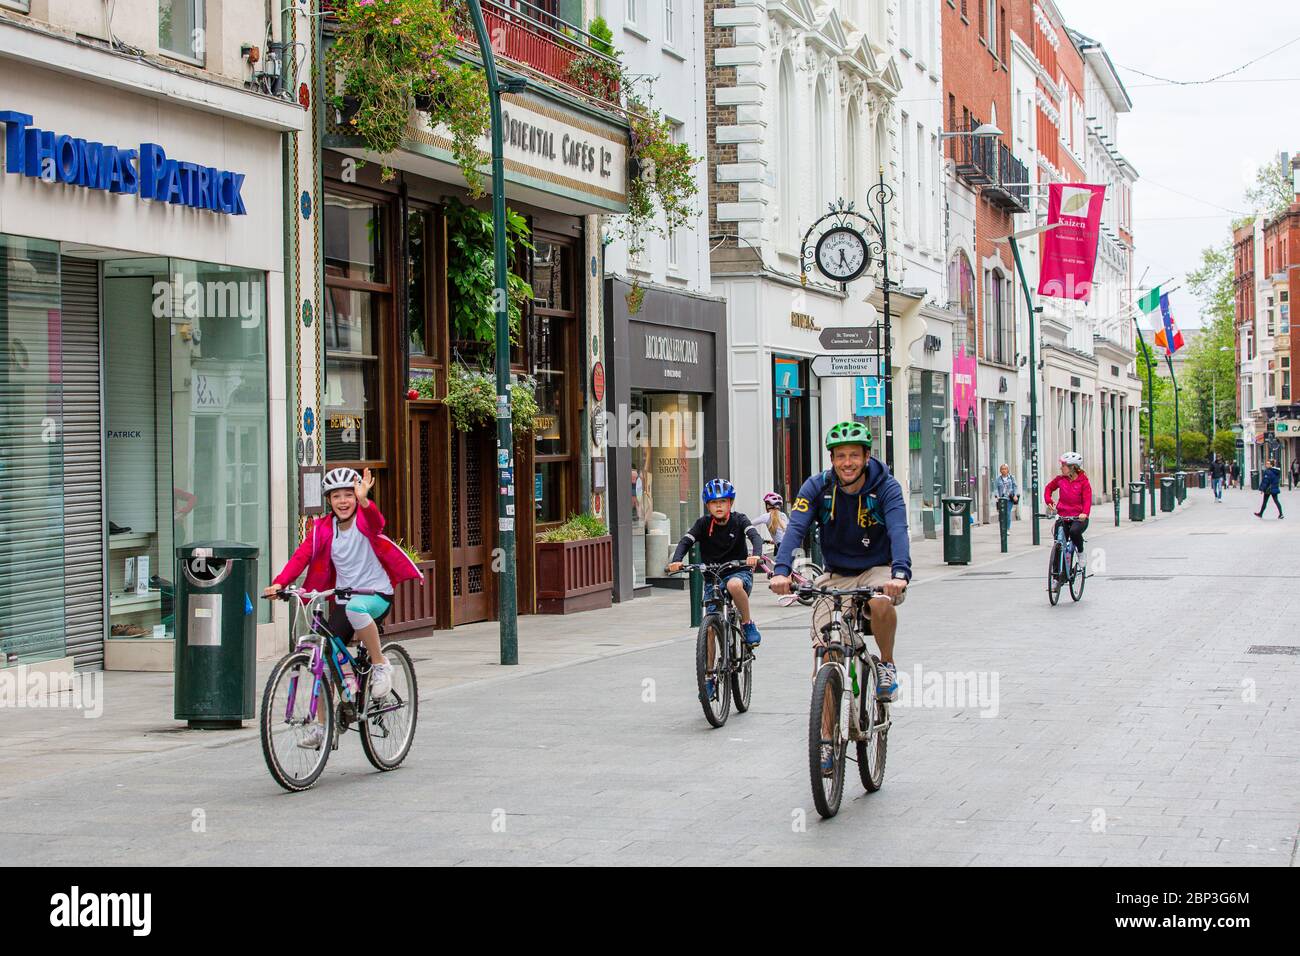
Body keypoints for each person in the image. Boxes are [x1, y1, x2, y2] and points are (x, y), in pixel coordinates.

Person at [770, 421, 911, 775]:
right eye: (840, 457)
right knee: (826, 653)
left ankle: (887, 664)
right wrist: (781, 571)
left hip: (877, 568)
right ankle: (827, 741)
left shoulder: (886, 488)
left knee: (880, 601)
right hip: (835, 574)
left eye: (854, 455)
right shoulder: (817, 487)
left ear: (866, 456)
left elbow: (898, 530)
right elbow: (796, 528)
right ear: (831, 459)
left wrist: (900, 574)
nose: (847, 462)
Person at [264, 467, 422, 748]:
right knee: (323, 659)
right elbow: (302, 557)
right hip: (344, 598)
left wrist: (365, 501)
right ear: (329, 500)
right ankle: (324, 728)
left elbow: (377, 521)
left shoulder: (364, 521)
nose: (343, 501)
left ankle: (380, 663)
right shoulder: (323, 529)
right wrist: (280, 584)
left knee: (355, 610)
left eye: (348, 494)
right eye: (337, 496)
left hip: (376, 594)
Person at [666, 477, 764, 660]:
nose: (718, 506)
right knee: (709, 628)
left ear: (730, 503)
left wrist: (755, 555)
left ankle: (747, 622)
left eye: (723, 502)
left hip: (739, 572)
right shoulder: (702, 524)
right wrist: (677, 559)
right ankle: (709, 676)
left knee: (734, 586)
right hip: (713, 578)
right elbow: (686, 541)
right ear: (707, 505)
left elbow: (754, 536)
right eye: (714, 503)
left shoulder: (739, 520)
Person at [1044, 452, 1092, 566]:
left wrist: (1084, 513)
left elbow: (1087, 500)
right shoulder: (1060, 479)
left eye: (1063, 465)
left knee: (1074, 532)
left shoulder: (1083, 482)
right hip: (1063, 516)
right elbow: (1049, 488)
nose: (1061, 467)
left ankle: (1080, 552)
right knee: (1058, 544)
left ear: (1072, 467)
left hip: (1078, 518)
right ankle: (1056, 576)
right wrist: (1048, 500)